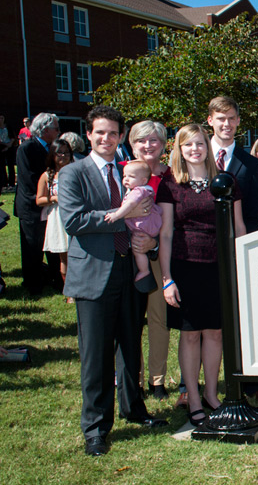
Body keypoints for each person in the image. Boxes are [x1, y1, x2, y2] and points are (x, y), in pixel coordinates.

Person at [58, 105, 166, 457]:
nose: (106, 138)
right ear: (88, 134)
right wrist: (123, 216)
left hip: (129, 270)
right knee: (96, 355)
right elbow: (74, 220)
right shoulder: (74, 173)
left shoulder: (129, 172)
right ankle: (96, 427)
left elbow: (146, 213)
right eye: (99, 132)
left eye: (113, 133)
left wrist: (148, 240)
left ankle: (134, 409)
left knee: (130, 346)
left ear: (121, 137)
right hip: (93, 273)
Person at [158, 124, 246, 427]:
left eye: (199, 144)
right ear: (179, 150)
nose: (195, 150)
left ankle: (211, 393)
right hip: (185, 267)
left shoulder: (225, 180)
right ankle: (193, 398)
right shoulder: (170, 184)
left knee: (216, 333)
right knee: (191, 334)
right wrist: (167, 278)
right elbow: (166, 233)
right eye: (188, 145)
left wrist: (239, 267)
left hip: (219, 266)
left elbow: (238, 227)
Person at [126, 120, 173, 401]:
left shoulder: (171, 176)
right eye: (141, 140)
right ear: (131, 144)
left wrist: (153, 242)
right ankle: (134, 379)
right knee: (131, 320)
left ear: (163, 143)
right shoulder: (122, 175)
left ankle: (157, 380)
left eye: (153, 140)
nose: (147, 145)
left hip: (159, 258)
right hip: (128, 259)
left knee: (159, 319)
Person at [15, 112, 61, 295]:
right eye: (56, 128)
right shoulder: (26, 148)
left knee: (51, 241)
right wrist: (50, 193)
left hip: (48, 204)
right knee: (32, 245)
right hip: (32, 206)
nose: (59, 131)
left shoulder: (52, 148)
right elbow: (29, 179)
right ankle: (33, 282)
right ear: (45, 129)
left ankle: (53, 276)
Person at [207, 96, 258, 234]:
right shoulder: (197, 158)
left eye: (231, 118)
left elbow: (253, 215)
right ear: (210, 120)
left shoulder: (252, 165)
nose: (227, 124)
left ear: (238, 121)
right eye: (221, 118)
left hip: (235, 241)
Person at [104, 160, 162, 292]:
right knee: (138, 249)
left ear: (143, 180)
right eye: (125, 176)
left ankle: (144, 270)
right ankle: (144, 270)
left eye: (131, 177)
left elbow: (129, 205)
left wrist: (117, 215)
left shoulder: (138, 192)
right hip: (146, 224)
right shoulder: (140, 189)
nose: (126, 179)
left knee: (138, 250)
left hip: (141, 225)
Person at [35, 139, 73, 302]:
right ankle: (69, 291)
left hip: (74, 214)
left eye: (66, 152)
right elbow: (39, 199)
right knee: (64, 255)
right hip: (57, 217)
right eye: (59, 153)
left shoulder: (75, 171)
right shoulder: (47, 175)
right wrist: (56, 198)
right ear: (53, 155)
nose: (63, 156)